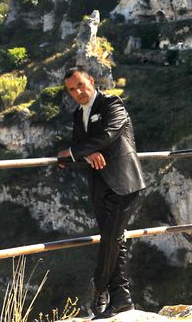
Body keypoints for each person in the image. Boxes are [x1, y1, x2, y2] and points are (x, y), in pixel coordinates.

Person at [57, 67, 146, 319]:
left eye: (81, 85)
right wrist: (83, 152)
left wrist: (75, 153)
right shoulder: (78, 114)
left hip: (123, 183)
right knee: (114, 239)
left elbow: (109, 135)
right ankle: (123, 300)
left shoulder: (111, 103)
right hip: (99, 186)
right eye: (72, 90)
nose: (78, 92)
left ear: (91, 81)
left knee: (110, 238)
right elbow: (78, 143)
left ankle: (99, 288)